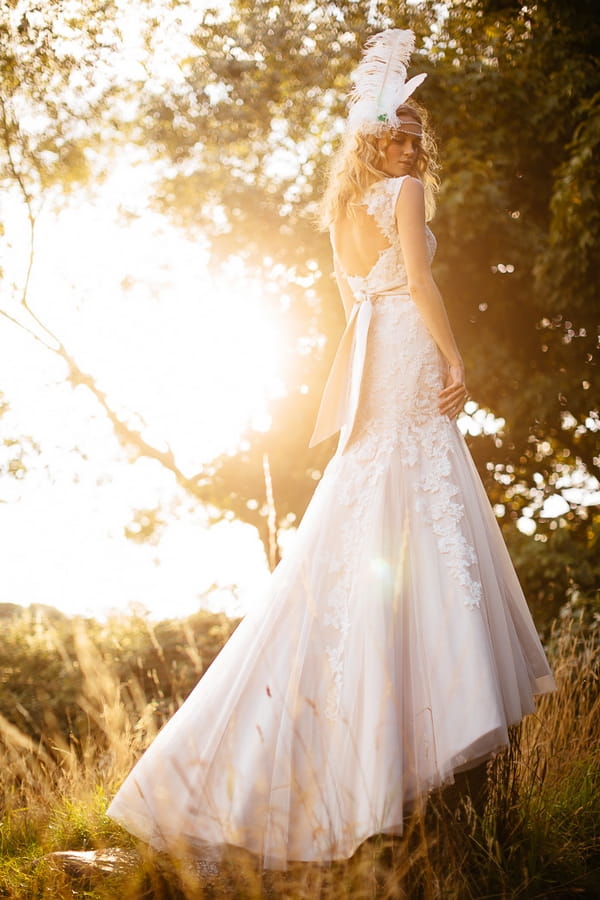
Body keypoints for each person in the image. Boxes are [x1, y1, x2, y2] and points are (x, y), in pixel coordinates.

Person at [107, 28, 555, 870]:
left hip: (371, 359)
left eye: (417, 133)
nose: (412, 145)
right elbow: (419, 283)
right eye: (400, 131)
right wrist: (458, 358)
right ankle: (431, 714)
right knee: (419, 493)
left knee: (370, 509)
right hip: (405, 352)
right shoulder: (408, 194)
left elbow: (364, 298)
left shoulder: (342, 213)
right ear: (375, 137)